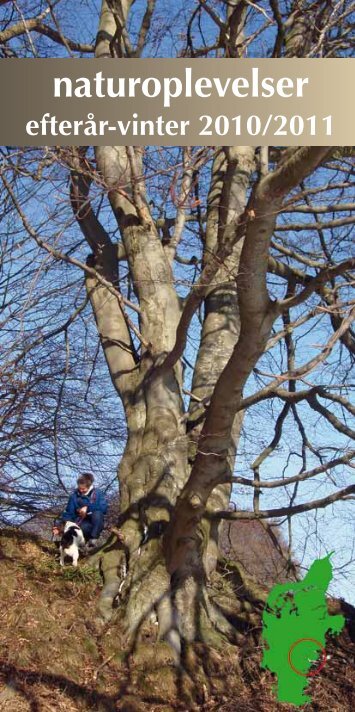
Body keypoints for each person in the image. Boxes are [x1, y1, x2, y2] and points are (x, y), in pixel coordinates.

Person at [53, 473, 108, 548]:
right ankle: (79, 545)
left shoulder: (98, 493)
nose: (81, 490)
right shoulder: (74, 497)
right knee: (82, 528)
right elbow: (69, 513)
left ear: (89, 486)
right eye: (80, 488)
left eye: (83, 489)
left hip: (96, 522)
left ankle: (93, 539)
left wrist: (87, 508)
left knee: (98, 513)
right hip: (81, 522)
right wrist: (59, 526)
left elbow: (103, 508)